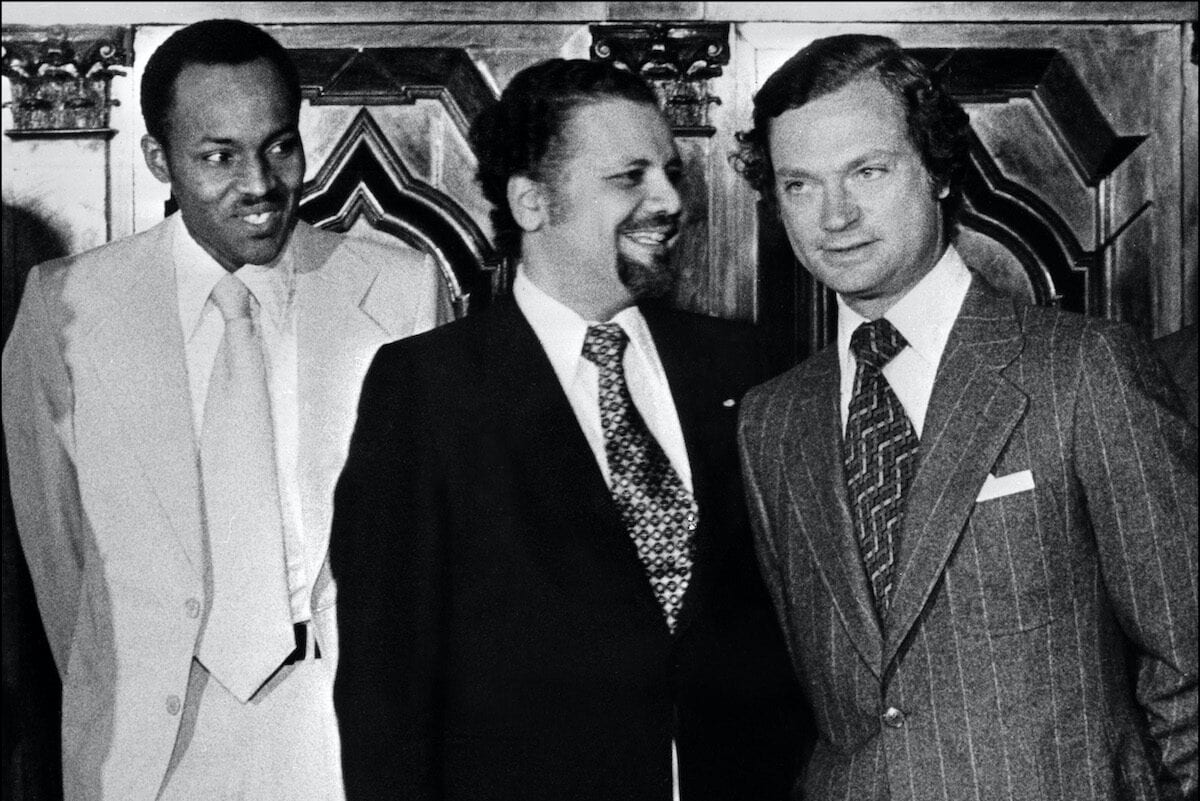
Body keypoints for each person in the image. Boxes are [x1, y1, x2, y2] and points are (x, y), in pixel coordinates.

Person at [733, 34, 1198, 800]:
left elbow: (1189, 666)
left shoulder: (1083, 369)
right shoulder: (771, 421)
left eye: (868, 171)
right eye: (799, 186)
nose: (835, 214)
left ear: (938, 170)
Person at [331, 58, 805, 801]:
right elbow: (386, 688)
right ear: (531, 202)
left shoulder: (744, 369)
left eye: (671, 173)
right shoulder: (427, 391)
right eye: (630, 177)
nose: (669, 200)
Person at [2, 19, 444, 801]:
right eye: (218, 157)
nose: (261, 183)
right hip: (148, 746)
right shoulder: (67, 304)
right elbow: (56, 554)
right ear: (157, 159)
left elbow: (431, 539)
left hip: (340, 728)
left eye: (280, 146)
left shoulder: (402, 287)